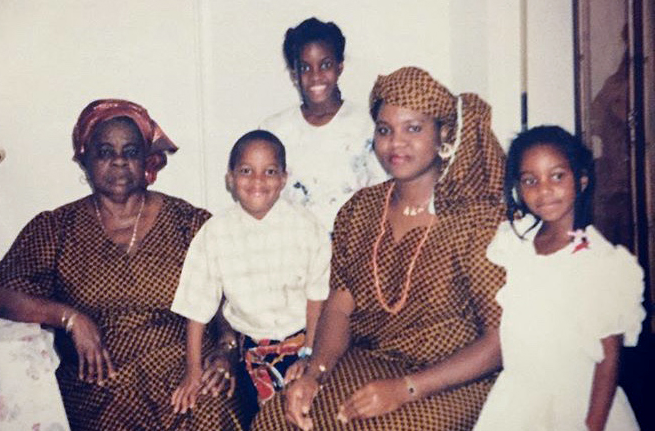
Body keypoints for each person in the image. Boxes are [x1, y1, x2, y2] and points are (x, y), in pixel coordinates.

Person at [252, 66, 507, 431]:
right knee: (278, 419)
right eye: (385, 130)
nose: (395, 143)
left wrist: (406, 389)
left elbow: (500, 340)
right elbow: (340, 306)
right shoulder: (360, 211)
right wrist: (315, 374)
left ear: (444, 135)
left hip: (453, 378)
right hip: (368, 362)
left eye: (413, 128)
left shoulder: (476, 219)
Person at [0, 99, 244, 431]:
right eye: (105, 152)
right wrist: (70, 318)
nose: (119, 161)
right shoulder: (56, 227)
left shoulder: (189, 223)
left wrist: (226, 350)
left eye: (131, 151)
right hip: (101, 378)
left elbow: (230, 294)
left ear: (147, 159)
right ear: (85, 160)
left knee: (209, 408)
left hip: (186, 365)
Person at [473, 125, 644, 431]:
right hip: (517, 398)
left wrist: (591, 426)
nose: (544, 189)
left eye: (557, 176)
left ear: (581, 179)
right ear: (518, 188)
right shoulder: (517, 242)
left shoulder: (601, 262)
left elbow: (609, 361)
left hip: (577, 403)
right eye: (530, 180)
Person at [170, 130, 331, 424]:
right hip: (249, 352)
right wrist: (192, 371)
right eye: (246, 171)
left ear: (283, 178)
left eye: (269, 172)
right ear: (230, 178)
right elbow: (197, 306)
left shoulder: (307, 227)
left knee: (312, 412)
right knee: (250, 416)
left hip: (304, 343)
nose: (258, 181)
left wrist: (310, 355)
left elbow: (317, 297)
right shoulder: (214, 233)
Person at [260, 17, 387, 233]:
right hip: (295, 253)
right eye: (305, 67)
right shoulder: (274, 132)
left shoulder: (369, 125)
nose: (316, 76)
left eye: (325, 65)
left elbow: (385, 197)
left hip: (355, 253)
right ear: (294, 75)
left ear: (340, 66)